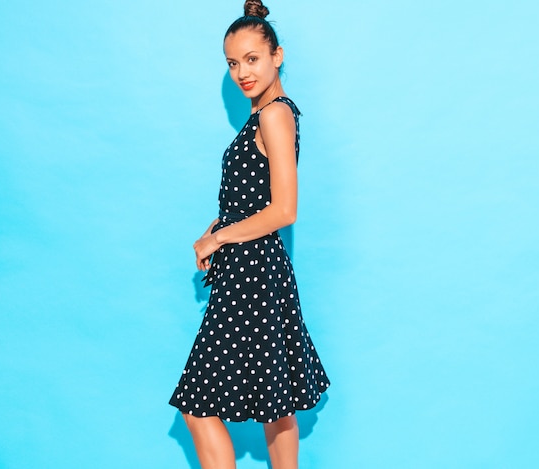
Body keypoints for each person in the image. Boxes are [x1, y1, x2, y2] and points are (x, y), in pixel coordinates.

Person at [169, 1, 330, 467]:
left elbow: (284, 209)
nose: (241, 72)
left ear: (277, 56)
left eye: (252, 59)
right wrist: (213, 228)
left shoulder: (275, 115)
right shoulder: (264, 116)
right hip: (257, 271)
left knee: (201, 407)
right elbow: (249, 200)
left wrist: (218, 239)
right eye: (232, 63)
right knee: (275, 407)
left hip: (253, 275)